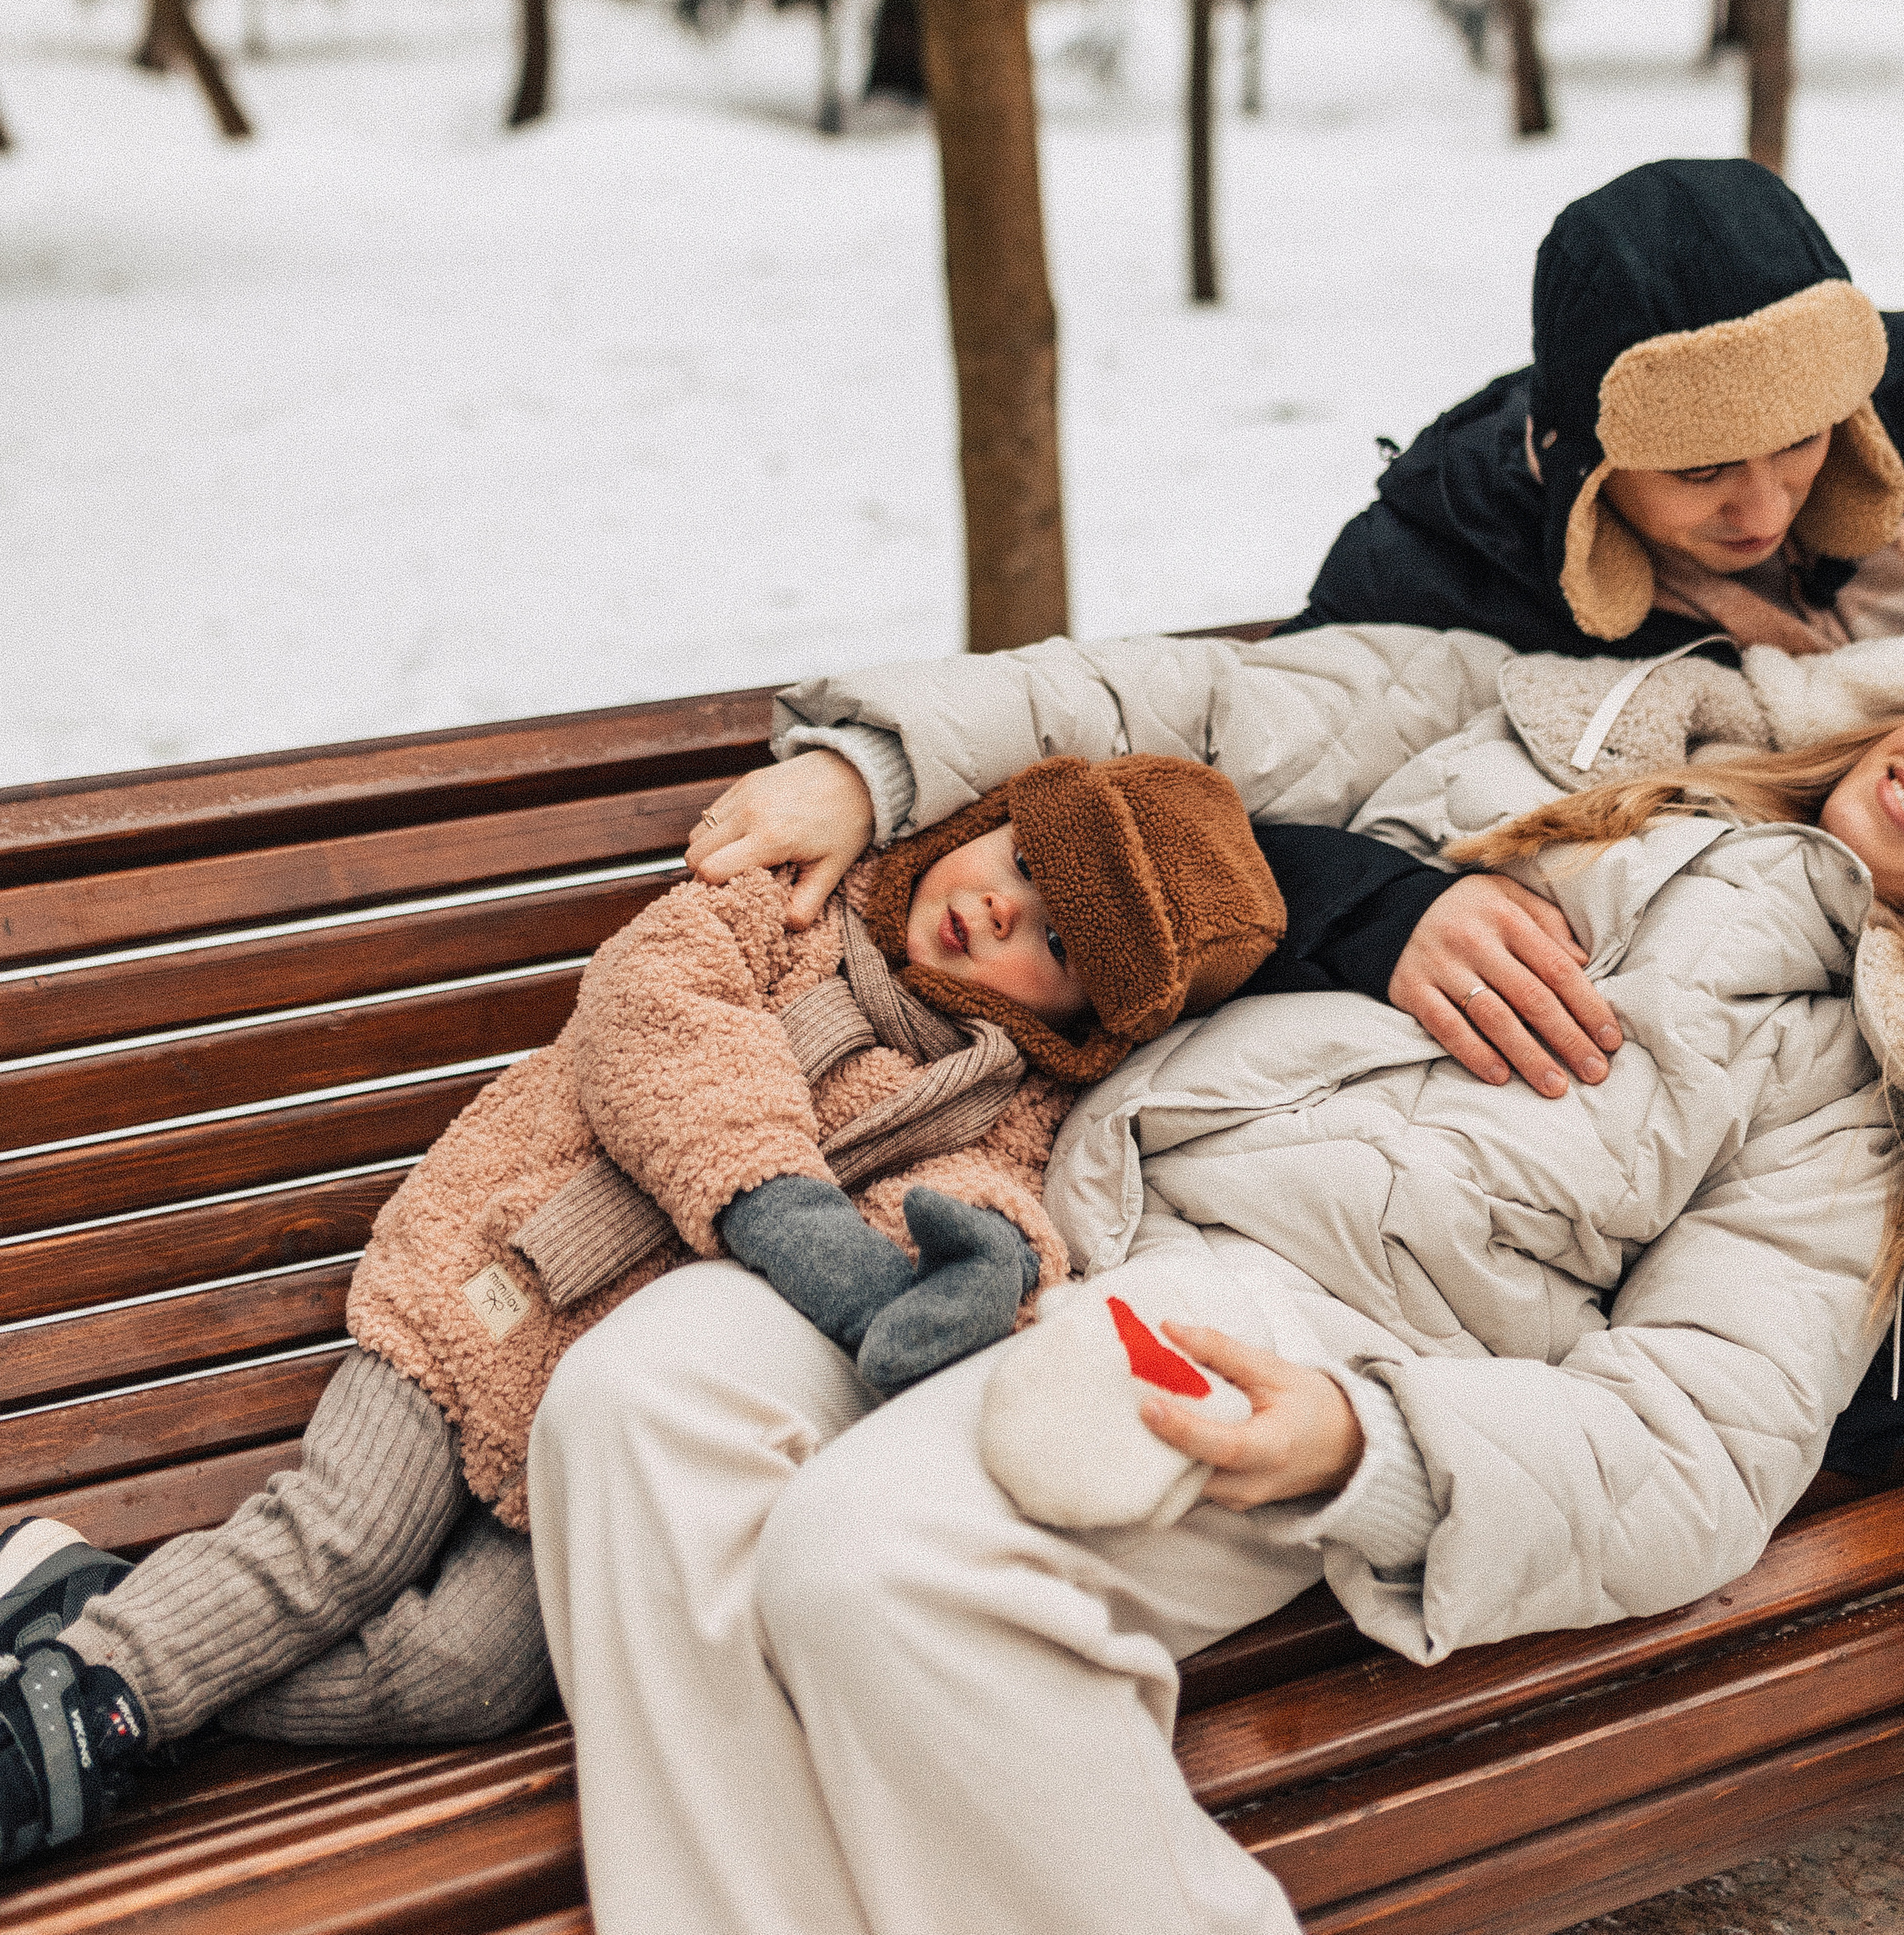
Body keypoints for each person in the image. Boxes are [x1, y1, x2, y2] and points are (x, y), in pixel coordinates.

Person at [530, 623, 1904, 1935]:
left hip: (1303, 1318)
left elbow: (1700, 1444)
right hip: (1030, 1202)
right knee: (639, 1403)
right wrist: (867, 771)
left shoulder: (1848, 1088)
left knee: (886, 1563)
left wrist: (1369, 1445)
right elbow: (1178, 707)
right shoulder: (1573, 719)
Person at [0, 745, 1486, 1870]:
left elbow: (982, 1209)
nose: (996, 911)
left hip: (593, 1435)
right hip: (488, 1299)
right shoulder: (789, 920)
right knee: (340, 1543)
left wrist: (958, 1283)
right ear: (983, 825)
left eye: (1052, 939)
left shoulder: (1008, 1107)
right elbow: (658, 1025)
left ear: (1088, 1019)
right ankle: (90, 1702)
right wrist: (781, 1212)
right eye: (1016, 865)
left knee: (467, 1676)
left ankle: (96, 1602)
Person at [1287, 157, 1904, 661]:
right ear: (1586, 461)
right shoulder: (1421, 573)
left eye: (1800, 441)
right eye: (1699, 470)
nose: (1766, 510)